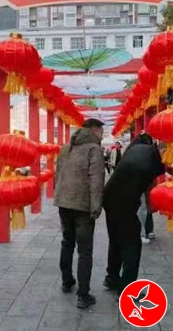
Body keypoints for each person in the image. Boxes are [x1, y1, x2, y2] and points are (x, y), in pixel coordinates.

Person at [103, 132, 164, 295]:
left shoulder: (131, 151)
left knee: (116, 241)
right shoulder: (150, 155)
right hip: (124, 205)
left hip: (109, 200)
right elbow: (150, 185)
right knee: (132, 246)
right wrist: (152, 206)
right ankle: (128, 289)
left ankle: (112, 278)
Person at [54, 118, 105, 309]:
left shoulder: (66, 148)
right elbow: (96, 179)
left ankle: (67, 281)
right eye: (101, 131)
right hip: (82, 206)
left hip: (64, 203)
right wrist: (96, 207)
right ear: (94, 130)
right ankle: (83, 295)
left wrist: (58, 197)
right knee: (85, 250)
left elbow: (58, 174)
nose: (102, 135)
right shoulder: (94, 149)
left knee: (67, 242)